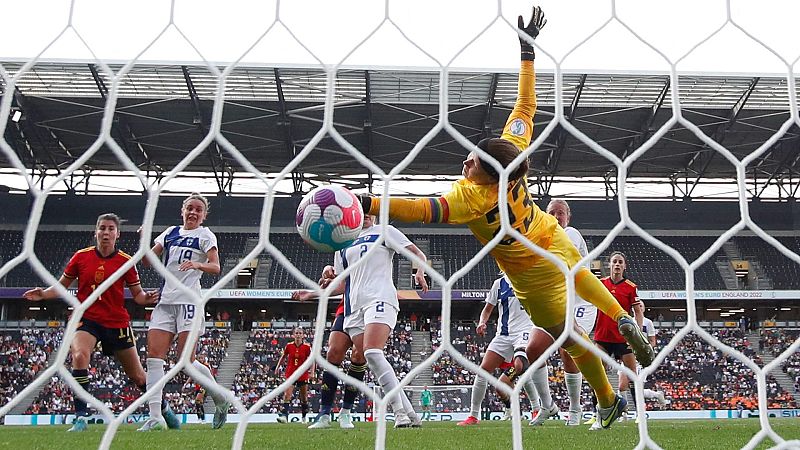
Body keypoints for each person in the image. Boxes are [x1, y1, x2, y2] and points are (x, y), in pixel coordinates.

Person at [359, 4, 654, 430]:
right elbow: (526, 106)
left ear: (486, 172)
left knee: (569, 335)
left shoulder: (470, 198)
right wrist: (528, 52)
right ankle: (620, 322)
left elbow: (421, 209)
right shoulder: (513, 157)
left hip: (526, 272)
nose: (467, 162)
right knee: (577, 273)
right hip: (549, 234)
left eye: (473, 161)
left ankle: (607, 396)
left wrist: (368, 202)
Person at [23, 213, 170, 432]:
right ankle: (81, 416)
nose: (106, 232)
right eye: (102, 228)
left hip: (116, 322)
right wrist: (44, 294)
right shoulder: (80, 257)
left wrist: (146, 299)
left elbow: (137, 295)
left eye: (111, 229)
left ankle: (165, 409)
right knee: (80, 356)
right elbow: (62, 285)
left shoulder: (126, 261)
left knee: (138, 376)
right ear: (96, 232)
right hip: (87, 318)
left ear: (117, 234)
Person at [319, 214, 429, 427]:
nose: (368, 214)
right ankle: (411, 413)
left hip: (380, 298)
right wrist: (320, 288)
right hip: (354, 307)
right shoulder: (342, 244)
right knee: (374, 361)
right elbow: (343, 285)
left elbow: (417, 253)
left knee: (371, 352)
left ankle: (399, 413)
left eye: (371, 210)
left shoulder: (384, 231)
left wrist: (420, 271)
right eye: (363, 209)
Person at [137, 193, 230, 432]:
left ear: (204, 215)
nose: (193, 212)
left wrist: (198, 264)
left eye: (198, 210)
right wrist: (144, 241)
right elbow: (147, 261)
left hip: (189, 301)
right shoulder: (169, 233)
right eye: (190, 208)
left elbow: (216, 266)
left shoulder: (205, 235)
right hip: (165, 301)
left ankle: (219, 398)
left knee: (186, 363)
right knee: (154, 359)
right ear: (183, 210)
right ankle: (156, 418)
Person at [457, 273, 554, 426]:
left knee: (520, 365)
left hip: (525, 331)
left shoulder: (530, 277)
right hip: (503, 335)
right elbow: (487, 309)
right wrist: (482, 322)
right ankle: (473, 416)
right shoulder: (499, 284)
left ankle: (537, 407)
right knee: (483, 371)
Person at [293, 272, 367, 430]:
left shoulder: (378, 252)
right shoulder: (346, 250)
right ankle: (324, 414)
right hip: (347, 308)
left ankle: (346, 412)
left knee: (359, 356)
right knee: (333, 352)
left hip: (370, 308)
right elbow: (341, 284)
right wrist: (313, 294)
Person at [545, 199, 594, 426]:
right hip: (560, 303)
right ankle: (546, 406)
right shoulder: (543, 239)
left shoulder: (570, 233)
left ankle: (576, 409)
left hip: (582, 304)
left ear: (568, 217)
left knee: (570, 344)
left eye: (560, 213)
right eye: (551, 212)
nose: (556, 217)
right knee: (532, 349)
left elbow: (562, 268)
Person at [586, 251, 644, 430]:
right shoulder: (601, 284)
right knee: (597, 375)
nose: (617, 265)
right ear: (609, 265)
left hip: (623, 338)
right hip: (602, 337)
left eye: (620, 262)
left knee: (633, 375)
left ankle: (640, 415)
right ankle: (598, 416)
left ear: (624, 266)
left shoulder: (630, 287)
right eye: (614, 262)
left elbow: (638, 312)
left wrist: (637, 335)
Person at [274, 327, 315, 423]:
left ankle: (304, 417)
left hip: (302, 374)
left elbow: (312, 360)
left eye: (300, 333)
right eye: (296, 333)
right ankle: (284, 416)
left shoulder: (307, 347)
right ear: (293, 335)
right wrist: (277, 367)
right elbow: (283, 356)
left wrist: (312, 372)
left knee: (304, 398)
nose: (298, 335)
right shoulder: (289, 346)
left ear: (303, 335)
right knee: (287, 394)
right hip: (290, 373)